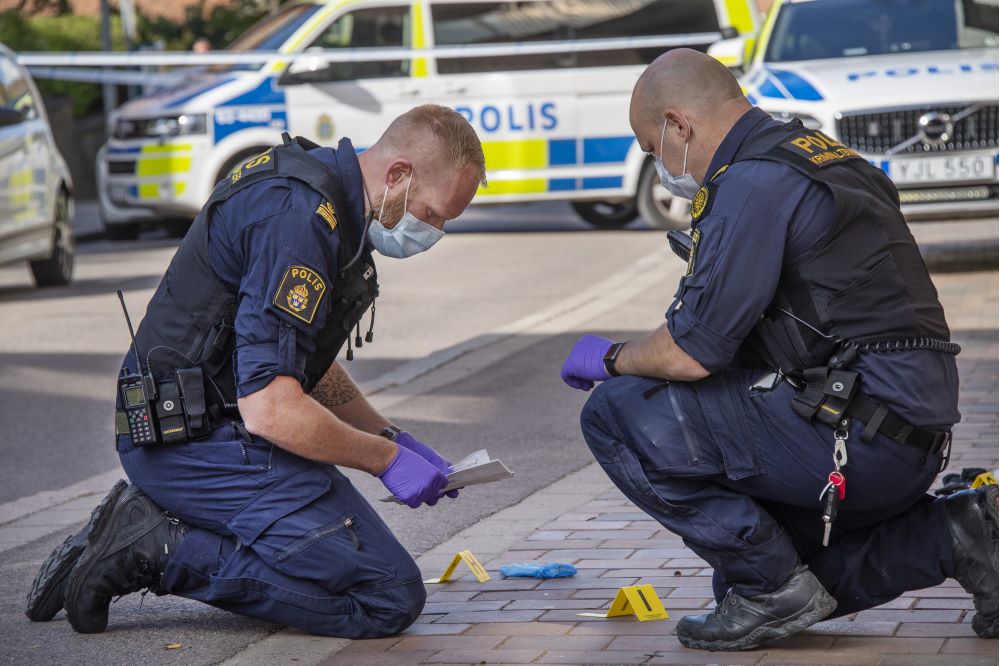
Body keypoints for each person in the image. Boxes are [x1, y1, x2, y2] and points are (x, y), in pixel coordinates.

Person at [560, 49, 997, 652]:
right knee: (743, 581)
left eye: (650, 146)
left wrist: (609, 359)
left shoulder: (752, 182)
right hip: (903, 432)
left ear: (678, 125)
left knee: (616, 411)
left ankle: (774, 590)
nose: (656, 162)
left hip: (861, 436)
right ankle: (962, 535)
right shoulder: (821, 156)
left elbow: (693, 351)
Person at [25, 104, 487, 638]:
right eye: (432, 214)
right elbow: (270, 406)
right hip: (192, 447)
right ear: (399, 174)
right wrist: (385, 461)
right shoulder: (297, 220)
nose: (434, 231)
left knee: (348, 568)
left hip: (221, 436)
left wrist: (390, 435)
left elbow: (299, 363)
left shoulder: (333, 201)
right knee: (386, 597)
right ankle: (157, 546)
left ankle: (152, 525)